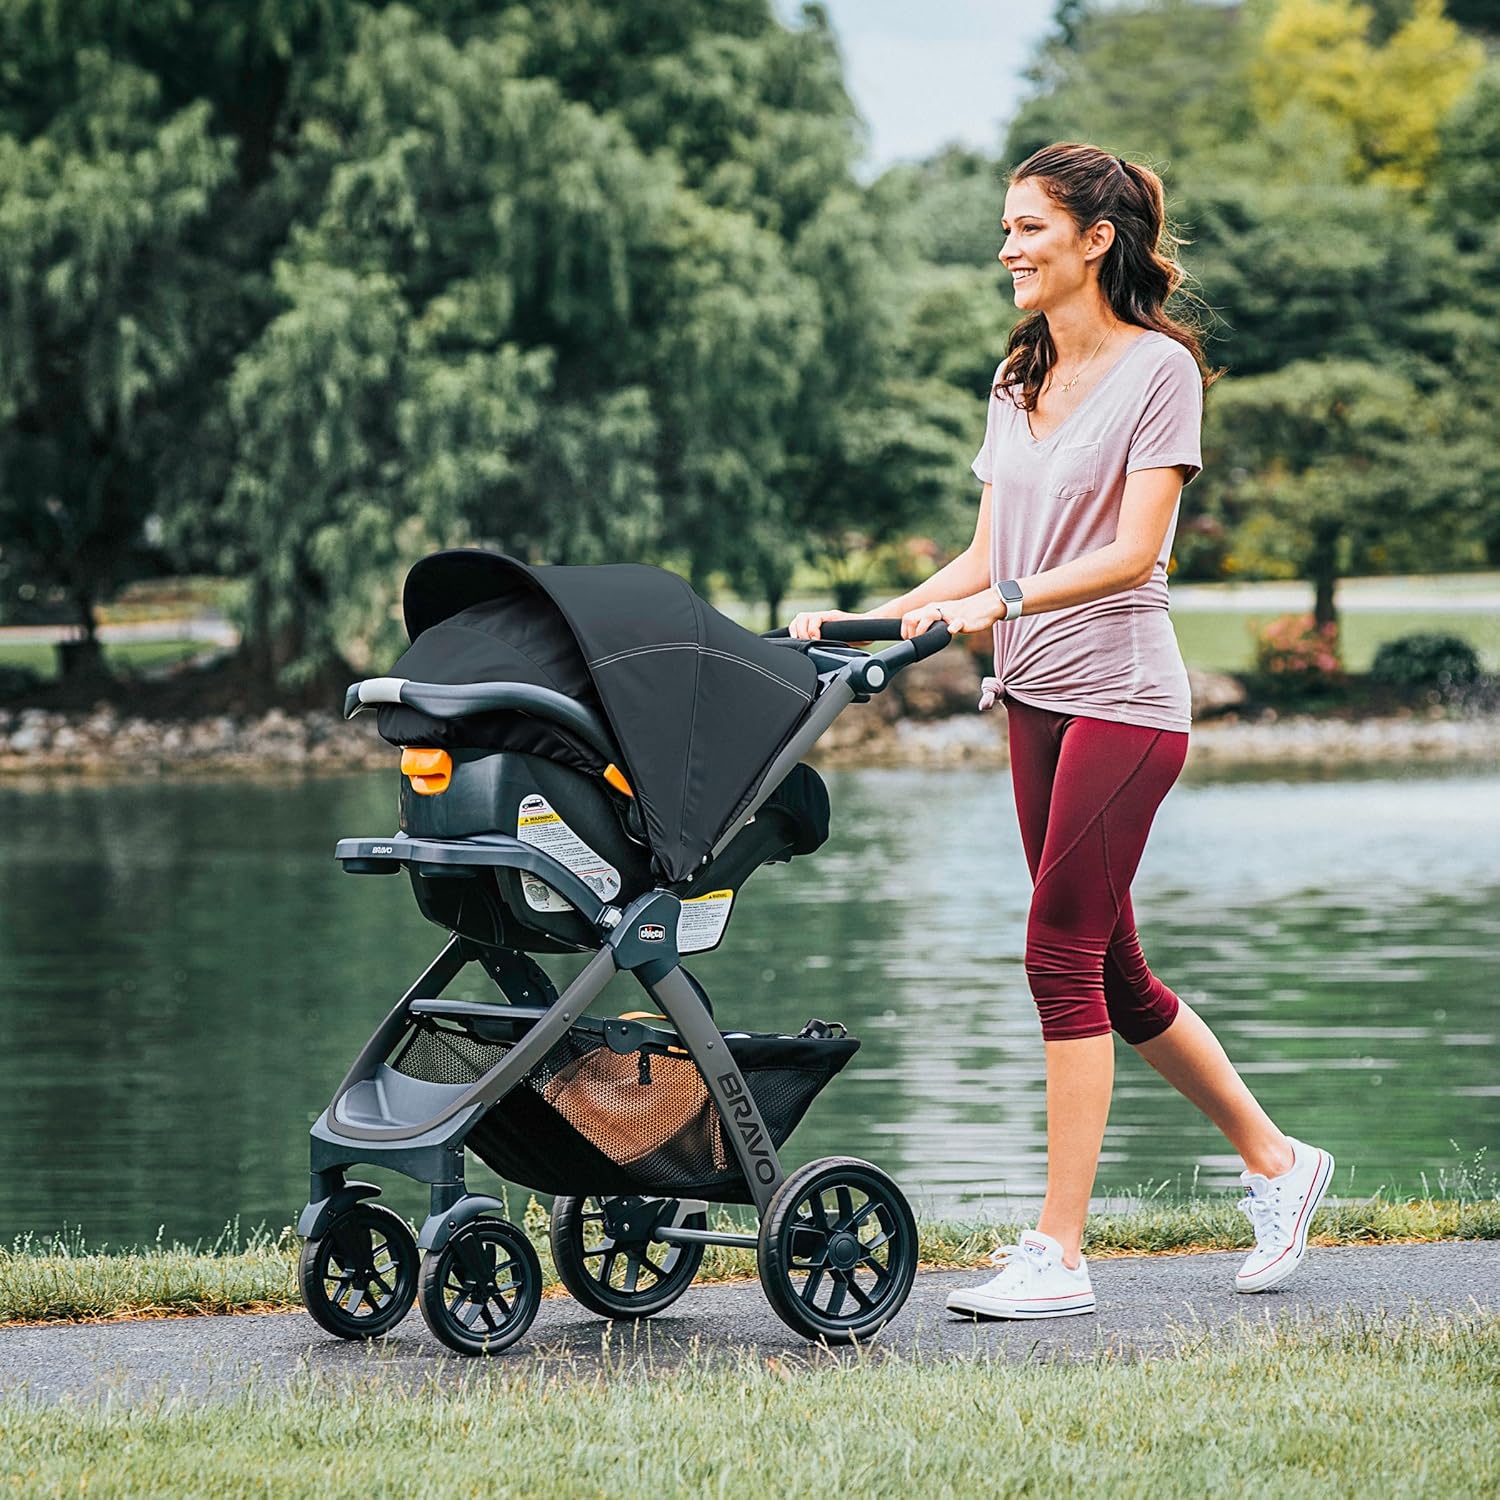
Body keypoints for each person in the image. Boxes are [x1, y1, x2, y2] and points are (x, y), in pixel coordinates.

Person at [789, 142, 1333, 1320]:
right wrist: (865, 621)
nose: (1008, 248)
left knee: (1056, 952)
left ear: (1096, 240)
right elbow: (985, 555)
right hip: (1031, 696)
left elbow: (1133, 555)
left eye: (1029, 227)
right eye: (1006, 227)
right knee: (1113, 971)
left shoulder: (1161, 372)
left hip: (1124, 699)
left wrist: (1000, 603)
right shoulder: (1018, 372)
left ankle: (1059, 1253)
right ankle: (1280, 1163)